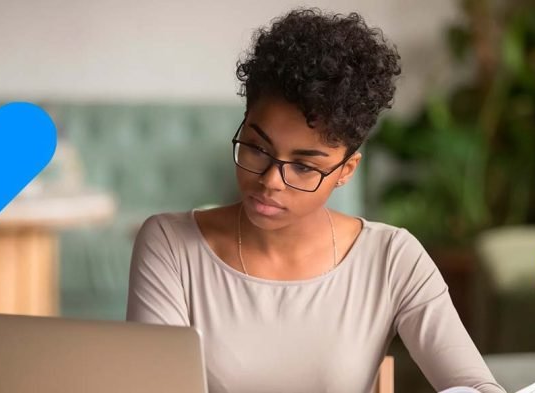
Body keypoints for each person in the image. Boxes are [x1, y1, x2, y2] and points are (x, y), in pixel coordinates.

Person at [126, 8, 506, 393]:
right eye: (257, 148)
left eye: (305, 167)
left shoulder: (392, 258)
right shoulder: (170, 245)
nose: (272, 181)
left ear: (346, 170)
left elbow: (476, 385)